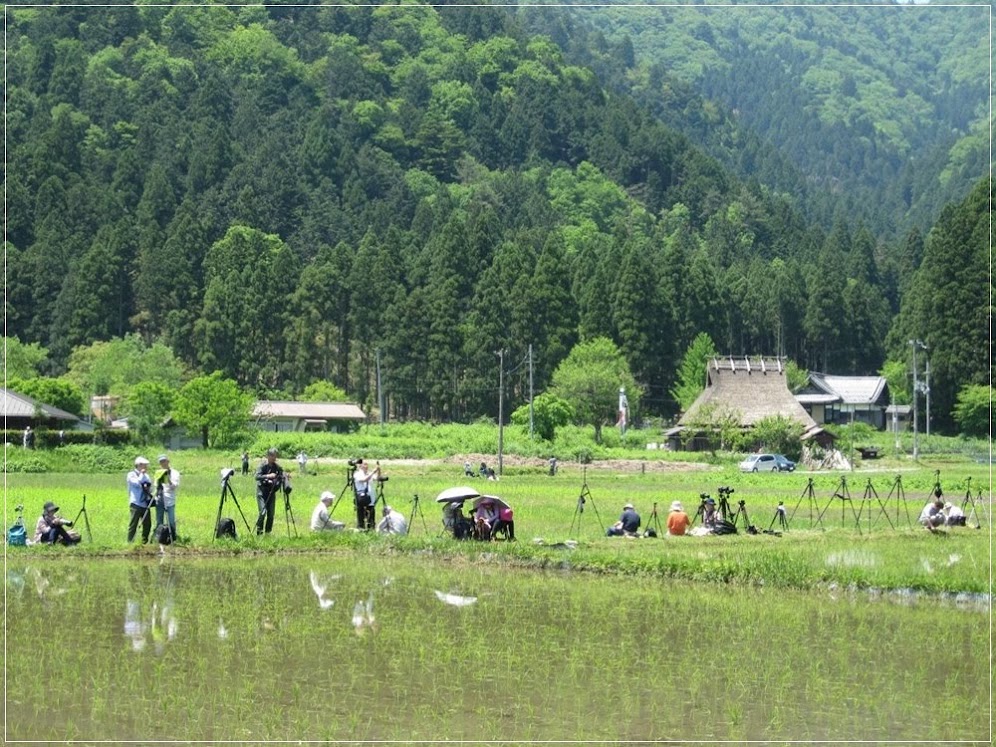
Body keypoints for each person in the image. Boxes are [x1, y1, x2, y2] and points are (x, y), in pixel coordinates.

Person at [255, 448, 284, 535]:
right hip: (262, 493)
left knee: (271, 514)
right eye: (272, 456)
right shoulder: (262, 466)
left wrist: (284, 476)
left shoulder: (277, 467)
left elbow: (281, 474)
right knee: (263, 512)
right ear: (268, 456)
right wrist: (268, 476)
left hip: (271, 492)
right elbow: (257, 477)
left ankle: (268, 533)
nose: (274, 458)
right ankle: (259, 532)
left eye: (275, 456)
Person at [127, 456, 154, 543]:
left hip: (145, 503)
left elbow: (150, 488)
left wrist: (149, 488)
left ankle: (144, 542)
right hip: (135, 503)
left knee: (147, 524)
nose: (146, 467)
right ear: (139, 465)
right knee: (133, 524)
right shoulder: (131, 475)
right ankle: (130, 542)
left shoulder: (146, 476)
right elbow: (136, 483)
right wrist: (142, 474)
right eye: (144, 465)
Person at [154, 454, 180, 543]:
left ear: (168, 462)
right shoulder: (158, 472)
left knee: (171, 521)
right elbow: (155, 485)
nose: (163, 463)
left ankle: (173, 538)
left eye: (164, 461)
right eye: (161, 462)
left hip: (170, 499)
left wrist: (167, 479)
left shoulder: (175, 473)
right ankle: (159, 538)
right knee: (159, 520)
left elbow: (174, 486)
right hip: (160, 498)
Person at [352, 459, 380, 530]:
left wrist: (378, 470)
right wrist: (373, 472)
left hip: (370, 498)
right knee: (361, 514)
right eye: (365, 464)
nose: (366, 466)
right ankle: (361, 528)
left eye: (367, 464)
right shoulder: (357, 474)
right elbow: (364, 479)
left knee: (371, 514)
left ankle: (371, 528)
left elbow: (377, 478)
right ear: (360, 466)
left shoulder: (369, 473)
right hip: (362, 497)